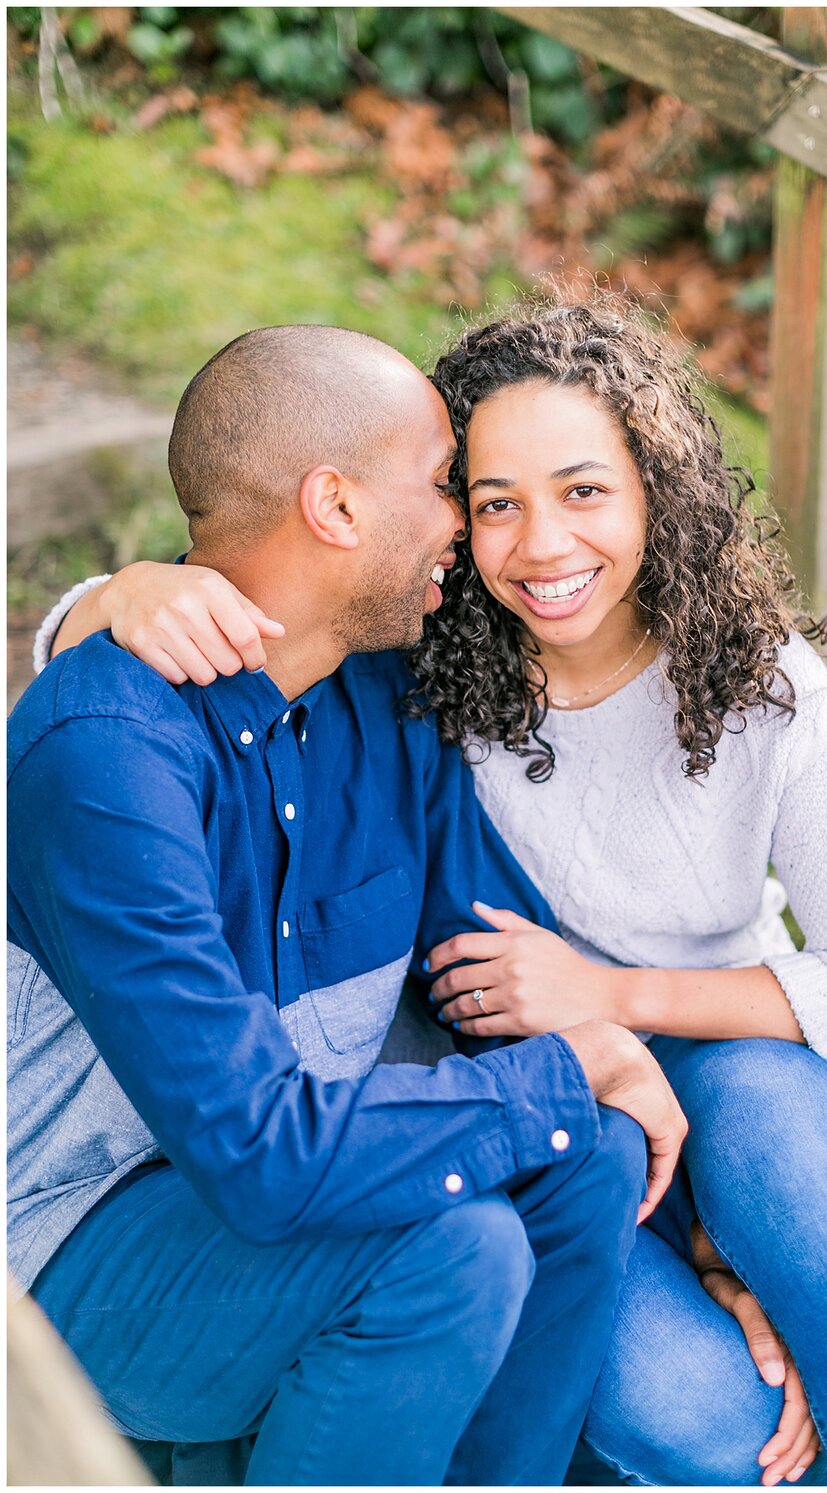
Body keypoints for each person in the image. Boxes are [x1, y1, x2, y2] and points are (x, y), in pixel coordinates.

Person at [42, 303, 827, 1486]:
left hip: (735, 1055)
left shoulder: (728, 685)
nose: (529, 542)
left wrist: (633, 1065)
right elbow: (236, 600)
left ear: (656, 486)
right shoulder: (426, 668)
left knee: (744, 1159)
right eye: (479, 496)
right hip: (385, 1129)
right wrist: (97, 602)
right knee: (677, 1399)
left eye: (584, 490)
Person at [8, 324, 695, 1489]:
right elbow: (261, 1153)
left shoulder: (383, 696)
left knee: (584, 1161)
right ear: (333, 505)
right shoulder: (109, 757)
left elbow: (503, 971)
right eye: (443, 486)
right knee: (453, 1248)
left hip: (297, 1173)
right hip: (70, 1241)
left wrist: (713, 1228)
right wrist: (565, 1070)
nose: (462, 530)